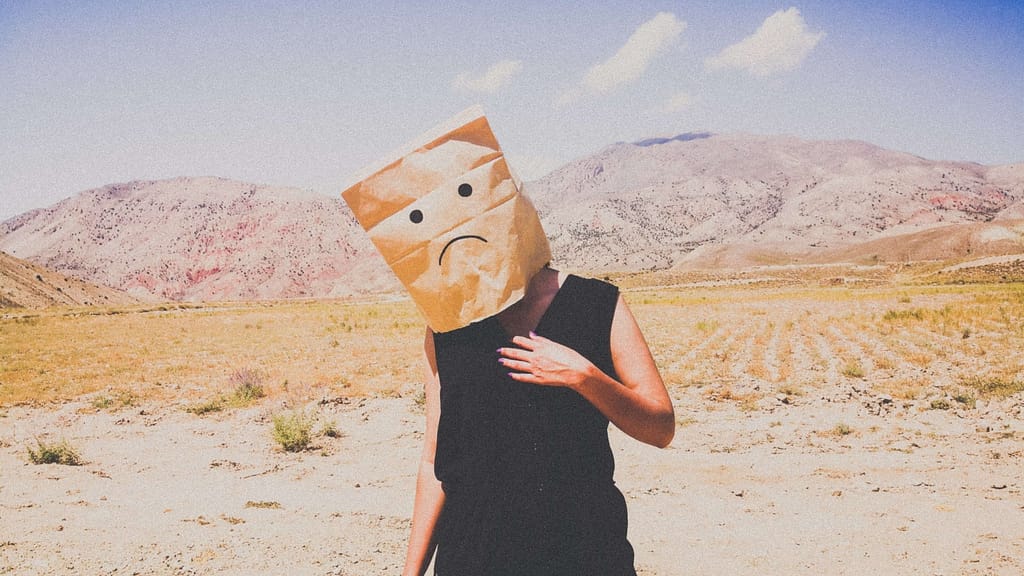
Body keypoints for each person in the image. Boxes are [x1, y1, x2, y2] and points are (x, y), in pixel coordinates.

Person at [401, 265, 675, 576]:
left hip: (586, 554)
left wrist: (585, 377)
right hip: (473, 556)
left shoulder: (597, 303)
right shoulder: (446, 321)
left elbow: (661, 427)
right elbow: (434, 460)